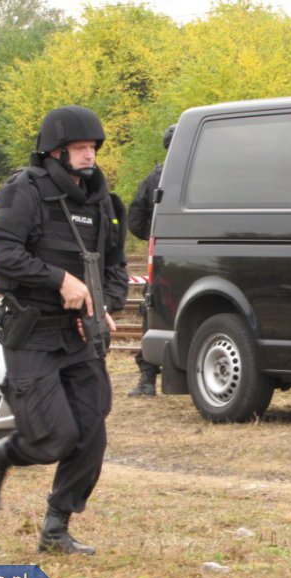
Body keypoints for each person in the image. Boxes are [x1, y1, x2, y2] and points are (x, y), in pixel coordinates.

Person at [0, 105, 128, 554]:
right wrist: (60, 280)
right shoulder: (24, 191)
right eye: (79, 148)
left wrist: (105, 303)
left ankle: (56, 529)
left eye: (92, 147)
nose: (89, 155)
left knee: (91, 433)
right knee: (54, 437)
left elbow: (116, 268)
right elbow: (5, 257)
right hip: (33, 331)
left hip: (79, 335)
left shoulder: (103, 202)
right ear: (55, 152)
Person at [125, 125, 174, 396]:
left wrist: (153, 236)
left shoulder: (154, 178)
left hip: (164, 255)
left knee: (152, 311)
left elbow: (134, 220)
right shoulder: (206, 174)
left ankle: (147, 380)